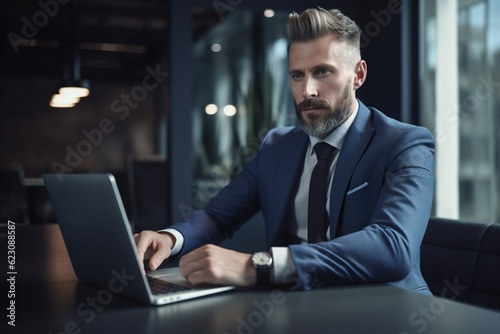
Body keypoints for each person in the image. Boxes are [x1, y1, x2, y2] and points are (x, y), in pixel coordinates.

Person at [134, 7, 435, 294]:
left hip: (385, 310)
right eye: (297, 75)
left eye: (322, 72)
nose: (307, 91)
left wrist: (262, 265)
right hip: (294, 304)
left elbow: (394, 246)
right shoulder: (277, 147)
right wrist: (170, 238)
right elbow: (217, 217)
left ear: (358, 75)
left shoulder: (405, 144)